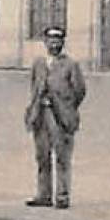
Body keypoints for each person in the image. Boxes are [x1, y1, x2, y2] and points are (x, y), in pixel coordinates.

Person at [24, 25, 85, 209]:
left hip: (60, 117)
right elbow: (33, 87)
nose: (54, 43)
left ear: (62, 43)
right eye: (50, 40)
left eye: (58, 40)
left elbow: (80, 90)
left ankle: (62, 196)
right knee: (42, 156)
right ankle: (43, 195)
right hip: (40, 115)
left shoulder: (71, 65)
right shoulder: (39, 64)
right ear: (45, 42)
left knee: (62, 157)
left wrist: (66, 106)